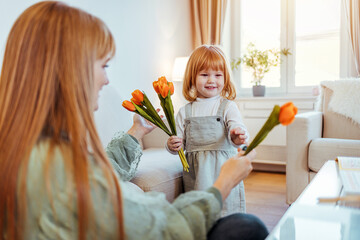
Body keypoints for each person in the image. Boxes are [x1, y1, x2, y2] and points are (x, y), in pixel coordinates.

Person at [0, 1, 268, 240]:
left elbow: (102, 170)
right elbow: (165, 228)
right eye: (103, 66)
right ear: (70, 69)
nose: (107, 80)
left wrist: (136, 131)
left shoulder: (34, 148)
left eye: (217, 76)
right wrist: (221, 186)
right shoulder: (57, 170)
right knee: (247, 227)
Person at [167, 45, 250, 217]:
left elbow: (237, 129)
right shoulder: (185, 111)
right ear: (192, 77)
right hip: (197, 174)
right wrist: (172, 145)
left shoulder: (227, 106)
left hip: (223, 170)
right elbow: (177, 144)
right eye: (204, 75)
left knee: (226, 210)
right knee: (200, 210)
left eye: (218, 75)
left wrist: (237, 134)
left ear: (225, 78)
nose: (211, 80)